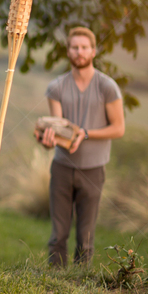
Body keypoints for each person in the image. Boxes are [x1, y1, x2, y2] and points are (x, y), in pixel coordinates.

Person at [36, 27, 124, 267]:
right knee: (58, 235)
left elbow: (118, 128)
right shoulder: (56, 87)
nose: (79, 52)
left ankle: (80, 285)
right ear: (68, 51)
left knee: (85, 238)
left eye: (84, 47)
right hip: (62, 167)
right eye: (75, 47)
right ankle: (55, 284)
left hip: (94, 170)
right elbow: (59, 129)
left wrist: (85, 133)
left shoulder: (108, 87)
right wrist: (47, 140)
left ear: (93, 51)